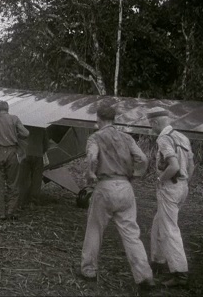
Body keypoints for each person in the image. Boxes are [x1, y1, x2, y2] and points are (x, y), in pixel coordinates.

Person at [79, 105, 155, 290]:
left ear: (98, 119)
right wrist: (135, 175)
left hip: (105, 187)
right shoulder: (126, 137)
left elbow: (92, 157)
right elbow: (143, 159)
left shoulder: (95, 137)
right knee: (131, 233)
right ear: (114, 119)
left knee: (95, 229)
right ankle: (144, 276)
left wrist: (90, 174)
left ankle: (89, 269)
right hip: (125, 187)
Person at [146, 106, 195, 287]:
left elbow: (173, 166)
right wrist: (184, 182)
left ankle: (180, 273)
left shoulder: (164, 138)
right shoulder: (182, 137)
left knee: (170, 230)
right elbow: (191, 165)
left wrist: (160, 179)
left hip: (170, 188)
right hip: (182, 187)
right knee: (159, 223)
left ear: (155, 122)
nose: (151, 128)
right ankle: (157, 261)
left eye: (151, 124)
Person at [0, 100, 30, 221]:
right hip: (11, 153)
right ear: (7, 109)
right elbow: (26, 133)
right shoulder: (14, 118)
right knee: (13, 183)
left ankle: (0, 213)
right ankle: (11, 212)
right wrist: (15, 135)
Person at [18, 126, 50, 208]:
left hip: (26, 154)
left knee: (24, 178)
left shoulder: (24, 126)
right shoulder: (42, 128)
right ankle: (33, 202)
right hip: (38, 155)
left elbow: (18, 140)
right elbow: (46, 144)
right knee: (36, 179)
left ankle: (22, 201)